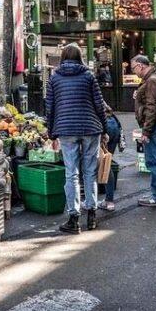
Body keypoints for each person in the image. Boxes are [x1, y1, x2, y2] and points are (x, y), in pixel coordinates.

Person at [45, 43, 107, 234]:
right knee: (90, 172)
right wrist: (104, 127)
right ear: (80, 57)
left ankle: (73, 219)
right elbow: (99, 104)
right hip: (90, 128)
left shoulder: (54, 78)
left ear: (63, 57)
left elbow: (50, 107)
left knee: (71, 173)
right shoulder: (88, 76)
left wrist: (51, 132)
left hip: (66, 129)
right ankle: (92, 215)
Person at [132, 54, 156, 207]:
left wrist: (146, 132)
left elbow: (152, 107)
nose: (133, 71)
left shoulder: (152, 80)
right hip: (155, 125)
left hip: (154, 127)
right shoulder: (151, 79)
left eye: (133, 67)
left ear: (141, 65)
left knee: (154, 161)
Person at [99, 107, 123, 211]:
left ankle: (90, 202)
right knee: (107, 163)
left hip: (102, 125)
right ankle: (109, 201)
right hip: (113, 123)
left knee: (90, 165)